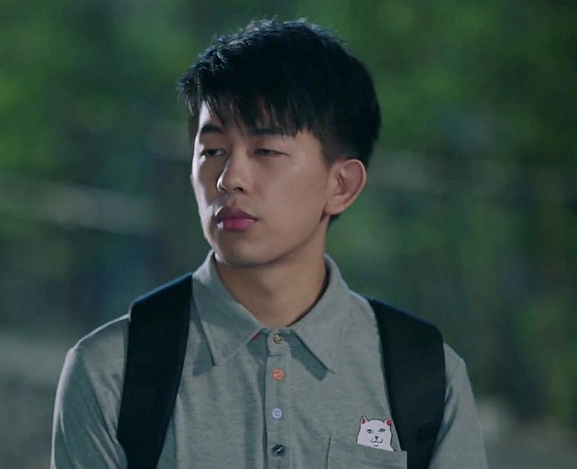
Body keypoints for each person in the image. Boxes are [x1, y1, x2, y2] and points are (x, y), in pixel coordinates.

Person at [51, 18, 487, 468]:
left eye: (266, 151)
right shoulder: (112, 371)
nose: (230, 179)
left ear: (341, 185)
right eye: (213, 151)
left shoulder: (423, 373)